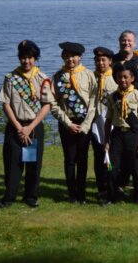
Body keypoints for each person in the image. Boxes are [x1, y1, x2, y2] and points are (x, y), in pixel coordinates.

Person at [0, 40, 51, 209]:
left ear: (35, 58)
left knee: (32, 162)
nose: (26, 61)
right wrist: (19, 127)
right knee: (13, 163)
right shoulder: (10, 78)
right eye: (23, 57)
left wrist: (29, 127)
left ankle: (30, 196)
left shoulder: (42, 79)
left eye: (30, 57)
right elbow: (5, 104)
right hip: (15, 126)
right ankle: (9, 197)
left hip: (33, 127)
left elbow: (46, 105)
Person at [50, 42, 97, 204]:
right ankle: (71, 194)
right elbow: (53, 103)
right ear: (63, 57)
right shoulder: (57, 77)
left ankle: (82, 194)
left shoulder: (89, 74)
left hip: (85, 123)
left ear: (80, 57)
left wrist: (85, 125)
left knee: (82, 159)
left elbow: (94, 101)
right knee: (69, 159)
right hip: (67, 124)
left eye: (73, 56)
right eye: (67, 56)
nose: (70, 59)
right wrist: (67, 122)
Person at [104, 63, 138, 204]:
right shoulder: (112, 97)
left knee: (136, 168)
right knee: (113, 167)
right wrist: (106, 141)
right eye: (119, 77)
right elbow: (108, 120)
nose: (122, 80)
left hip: (133, 135)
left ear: (132, 78)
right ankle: (112, 196)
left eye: (125, 77)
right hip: (117, 135)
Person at [91, 46, 118, 204]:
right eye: (97, 60)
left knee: (111, 158)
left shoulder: (115, 78)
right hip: (95, 125)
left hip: (111, 123)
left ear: (110, 61)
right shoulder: (90, 77)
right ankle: (101, 188)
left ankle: (112, 188)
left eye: (103, 60)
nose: (100, 63)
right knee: (98, 158)